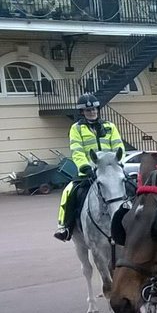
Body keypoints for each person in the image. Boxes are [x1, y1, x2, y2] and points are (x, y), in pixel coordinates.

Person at [53, 93, 125, 241]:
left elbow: (119, 147)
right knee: (69, 191)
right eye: (88, 110)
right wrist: (85, 167)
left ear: (98, 110)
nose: (92, 112)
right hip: (89, 170)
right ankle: (65, 226)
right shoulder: (76, 129)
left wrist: (118, 163)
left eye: (94, 109)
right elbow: (77, 150)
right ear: (82, 112)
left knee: (132, 186)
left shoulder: (110, 126)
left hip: (110, 168)